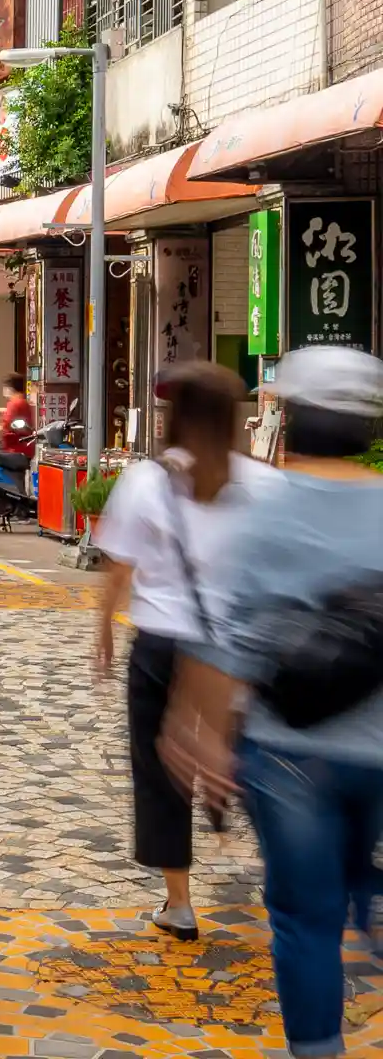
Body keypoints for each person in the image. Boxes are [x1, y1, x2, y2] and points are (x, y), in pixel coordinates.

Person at [159, 347, 383, 1058]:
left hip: (288, 754)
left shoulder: (261, 509)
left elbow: (225, 643)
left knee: (303, 917)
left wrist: (194, 734)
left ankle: (317, 1048)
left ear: (288, 417)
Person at [93, 363, 280, 943]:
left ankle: (180, 903)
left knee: (162, 769)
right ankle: (288, 876)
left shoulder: (147, 482)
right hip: (239, 648)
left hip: (161, 643)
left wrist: (101, 627)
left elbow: (119, 566)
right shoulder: (266, 484)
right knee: (257, 762)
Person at [0, 373, 36, 456]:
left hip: (14, 450)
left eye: (4, 387)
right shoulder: (23, 401)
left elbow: (4, 427)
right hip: (26, 449)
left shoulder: (13, 403)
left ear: (10, 388)